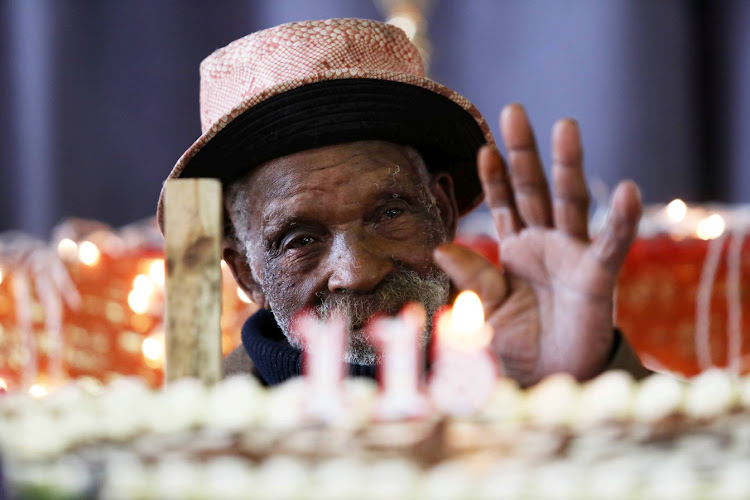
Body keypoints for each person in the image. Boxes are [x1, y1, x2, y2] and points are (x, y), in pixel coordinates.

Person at [157, 18, 650, 387]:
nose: (358, 272)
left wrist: (587, 383)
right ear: (246, 274)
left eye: (389, 213)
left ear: (444, 210)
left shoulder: (536, 378)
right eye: (300, 239)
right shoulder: (191, 436)